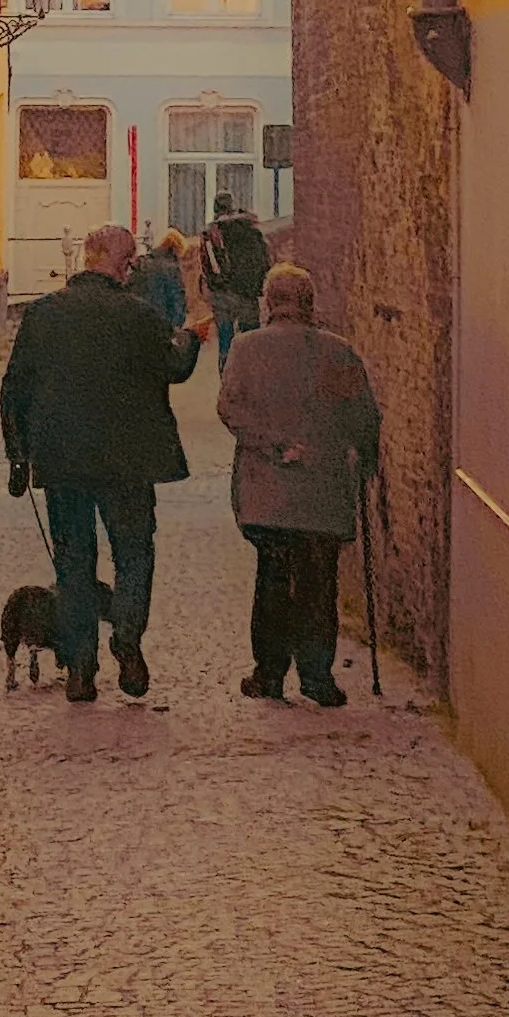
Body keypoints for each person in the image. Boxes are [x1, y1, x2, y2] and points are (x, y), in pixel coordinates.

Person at [0, 223, 200, 700]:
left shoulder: (44, 314)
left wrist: (17, 456)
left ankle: (81, 667)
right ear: (119, 263)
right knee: (133, 554)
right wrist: (192, 338)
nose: (132, 269)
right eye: (129, 261)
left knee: (73, 563)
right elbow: (174, 368)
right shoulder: (139, 315)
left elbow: (14, 388)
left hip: (62, 460)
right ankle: (126, 638)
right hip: (127, 462)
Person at [215, 262, 380, 709]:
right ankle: (317, 675)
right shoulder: (338, 352)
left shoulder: (246, 348)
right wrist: (365, 458)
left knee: (272, 580)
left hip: (266, 493)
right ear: (309, 303)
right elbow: (363, 417)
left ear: (269, 302)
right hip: (322, 491)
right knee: (318, 585)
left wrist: (274, 444)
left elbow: (230, 408)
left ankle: (269, 673)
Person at [199, 195, 272, 373]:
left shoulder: (212, 233)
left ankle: (228, 380)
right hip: (248, 294)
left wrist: (214, 284)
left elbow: (208, 265)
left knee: (226, 342)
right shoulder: (250, 228)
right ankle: (252, 376)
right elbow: (265, 260)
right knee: (251, 340)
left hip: (223, 294)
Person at [130, 228, 189, 334]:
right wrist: (176, 327)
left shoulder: (143, 263)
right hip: (162, 323)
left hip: (140, 322)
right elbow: (177, 300)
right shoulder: (172, 268)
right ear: (177, 249)